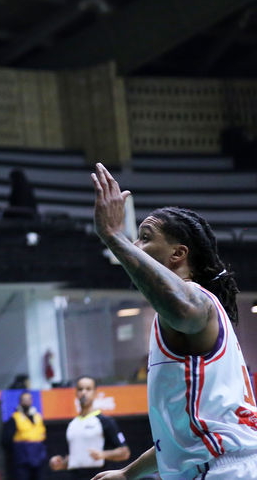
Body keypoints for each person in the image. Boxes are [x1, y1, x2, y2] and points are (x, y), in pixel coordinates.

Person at [89, 164, 257, 480]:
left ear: (178, 254)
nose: (135, 246)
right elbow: (181, 438)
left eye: (145, 238)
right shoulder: (191, 313)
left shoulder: (196, 300)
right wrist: (128, 473)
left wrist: (113, 236)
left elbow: (183, 307)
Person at [47, 376, 129, 479]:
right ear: (76, 393)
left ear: (95, 393)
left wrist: (103, 454)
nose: (84, 392)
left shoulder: (105, 421)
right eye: (80, 389)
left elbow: (125, 452)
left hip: (99, 476)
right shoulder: (72, 424)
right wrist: (60, 464)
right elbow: (74, 459)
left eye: (88, 389)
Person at [2, 391, 48, 480]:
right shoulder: (15, 418)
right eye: (24, 400)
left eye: (29, 399)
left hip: (38, 456)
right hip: (22, 457)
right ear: (20, 402)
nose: (27, 402)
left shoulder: (37, 417)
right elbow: (6, 440)